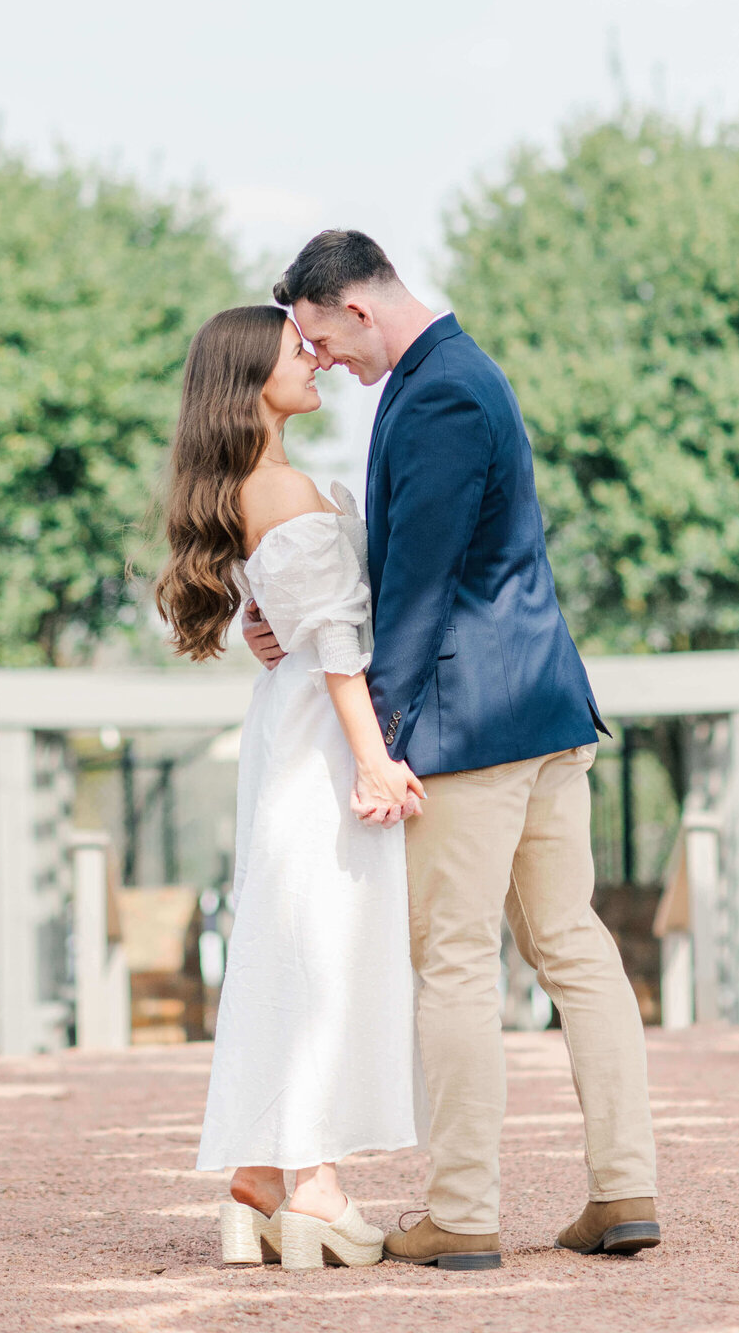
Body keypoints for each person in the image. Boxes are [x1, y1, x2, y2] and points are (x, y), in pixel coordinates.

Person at [249, 228, 660, 1270]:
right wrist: (291, 617)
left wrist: (372, 742)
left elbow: (420, 589)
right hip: (548, 713)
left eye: (320, 340)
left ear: (356, 308)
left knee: (456, 968)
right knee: (574, 949)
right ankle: (623, 1191)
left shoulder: (429, 394)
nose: (327, 363)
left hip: (469, 731)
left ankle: (463, 1212)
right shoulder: (469, 371)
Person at [156, 304, 423, 1275]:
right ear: (251, 383)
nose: (311, 356)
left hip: (289, 730)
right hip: (321, 737)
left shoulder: (240, 489)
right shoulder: (287, 488)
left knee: (283, 948)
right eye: (293, 349)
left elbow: (286, 625)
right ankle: (316, 1185)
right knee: (326, 958)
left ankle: (261, 1177)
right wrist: (373, 762)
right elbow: (341, 652)